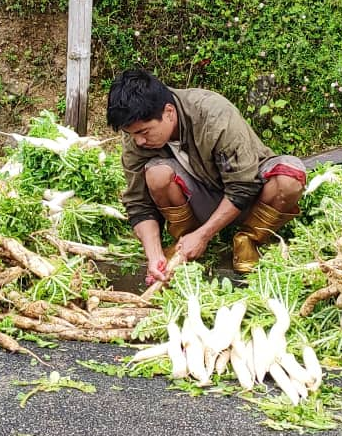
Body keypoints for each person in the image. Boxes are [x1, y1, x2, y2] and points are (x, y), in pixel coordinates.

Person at [108, 69, 305, 284]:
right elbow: (138, 203)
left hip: (251, 197)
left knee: (290, 176)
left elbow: (243, 186)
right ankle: (185, 242)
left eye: (144, 132)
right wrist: (154, 254)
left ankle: (248, 238)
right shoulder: (137, 137)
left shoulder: (213, 115)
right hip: (201, 199)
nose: (139, 141)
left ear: (169, 112)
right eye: (132, 134)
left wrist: (204, 235)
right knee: (157, 174)